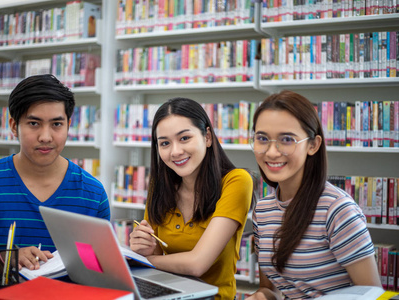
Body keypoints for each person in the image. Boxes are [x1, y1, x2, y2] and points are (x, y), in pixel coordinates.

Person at [0, 74, 110, 294]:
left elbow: (98, 271)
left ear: (68, 125)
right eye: (34, 123)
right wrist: (9, 261)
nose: (46, 136)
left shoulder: (92, 192)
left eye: (56, 124)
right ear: (14, 126)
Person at [247, 90, 382, 300]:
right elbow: (271, 288)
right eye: (262, 138)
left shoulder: (337, 210)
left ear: (313, 145)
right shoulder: (263, 211)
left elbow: (373, 294)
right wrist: (262, 296)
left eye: (286, 139)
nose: (271, 152)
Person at [129, 97, 253, 299]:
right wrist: (143, 249)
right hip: (167, 294)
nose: (175, 151)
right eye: (165, 143)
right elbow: (156, 259)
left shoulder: (237, 181)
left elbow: (197, 264)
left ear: (207, 137)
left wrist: (143, 260)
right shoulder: (159, 187)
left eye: (184, 138)